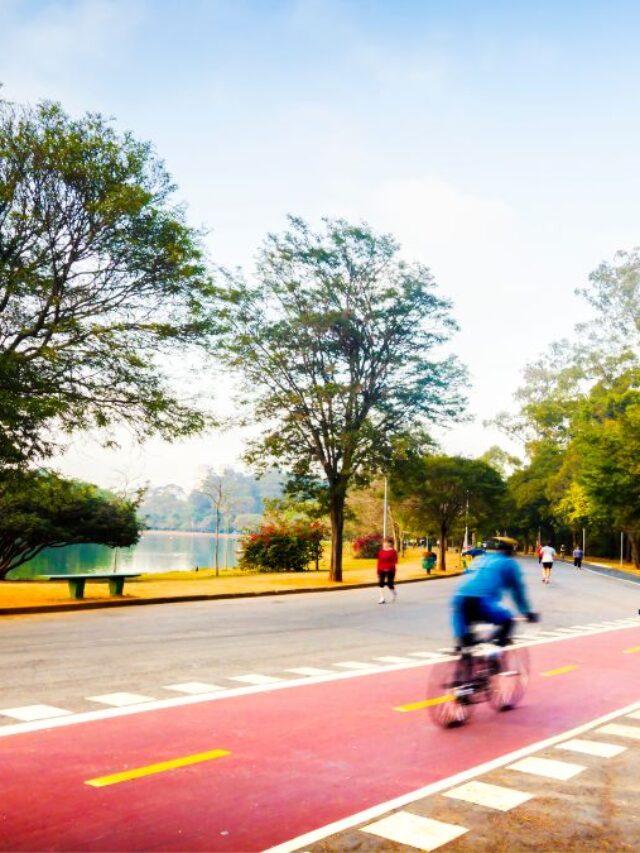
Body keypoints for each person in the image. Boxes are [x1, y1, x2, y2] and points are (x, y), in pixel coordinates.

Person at [451, 539, 538, 657]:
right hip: (482, 602)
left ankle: (464, 659)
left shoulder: (480, 559)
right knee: (508, 622)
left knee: (465, 642)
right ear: (511, 551)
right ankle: (494, 656)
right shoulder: (508, 563)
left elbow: (466, 576)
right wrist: (527, 612)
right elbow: (518, 592)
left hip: (459, 600)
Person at [376, 537, 398, 604]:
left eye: (387, 543)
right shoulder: (381, 551)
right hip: (381, 569)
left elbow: (395, 561)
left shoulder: (393, 552)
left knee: (389, 584)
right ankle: (382, 598)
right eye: (384, 542)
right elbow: (379, 561)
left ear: (390, 544)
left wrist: (388, 568)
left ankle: (394, 594)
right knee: (381, 583)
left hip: (391, 570)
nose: (385, 544)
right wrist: (378, 570)